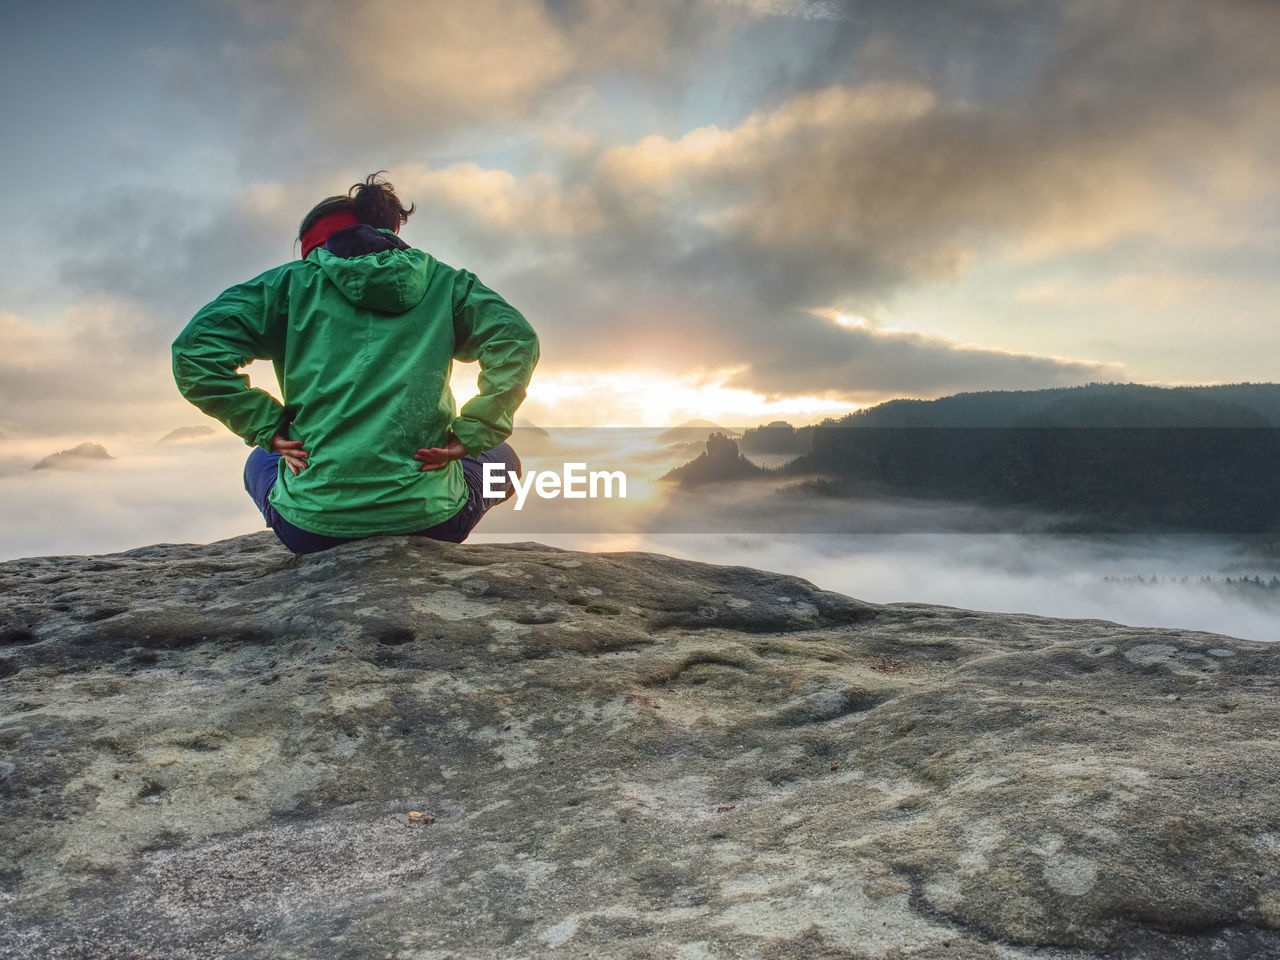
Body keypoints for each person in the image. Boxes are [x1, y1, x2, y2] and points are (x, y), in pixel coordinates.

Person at [171, 172, 539, 555]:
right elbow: (516, 340)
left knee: (260, 458)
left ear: (314, 244)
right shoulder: (445, 283)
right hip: (435, 523)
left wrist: (268, 426)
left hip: (310, 532)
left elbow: (194, 352)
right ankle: (423, 500)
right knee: (504, 460)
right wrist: (472, 432)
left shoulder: (286, 286)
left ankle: (312, 502)